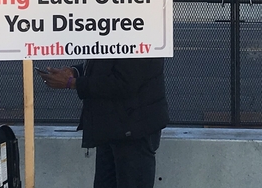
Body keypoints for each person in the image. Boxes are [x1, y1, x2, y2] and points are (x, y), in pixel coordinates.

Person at [39, 58, 168, 188]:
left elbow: (125, 82)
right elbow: (106, 65)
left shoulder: (142, 39)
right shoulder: (120, 39)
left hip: (134, 129)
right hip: (112, 126)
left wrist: (74, 82)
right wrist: (76, 71)